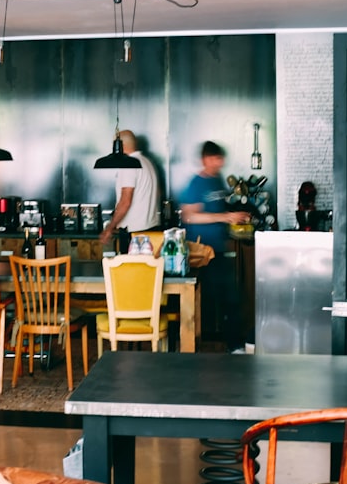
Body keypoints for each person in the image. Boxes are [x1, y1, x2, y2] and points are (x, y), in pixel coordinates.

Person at [178, 140, 251, 353]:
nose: (220, 162)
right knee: (217, 298)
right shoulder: (196, 184)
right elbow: (189, 216)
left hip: (218, 247)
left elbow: (219, 209)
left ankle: (231, 344)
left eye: (221, 158)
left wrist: (235, 216)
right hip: (202, 252)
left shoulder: (217, 180)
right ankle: (225, 346)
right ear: (205, 160)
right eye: (215, 158)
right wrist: (226, 216)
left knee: (228, 296)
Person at [99, 130, 161, 247]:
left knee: (131, 265)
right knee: (149, 265)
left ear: (121, 145)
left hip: (134, 233)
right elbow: (157, 193)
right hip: (152, 229)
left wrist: (110, 228)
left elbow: (125, 201)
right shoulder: (147, 162)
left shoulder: (128, 165)